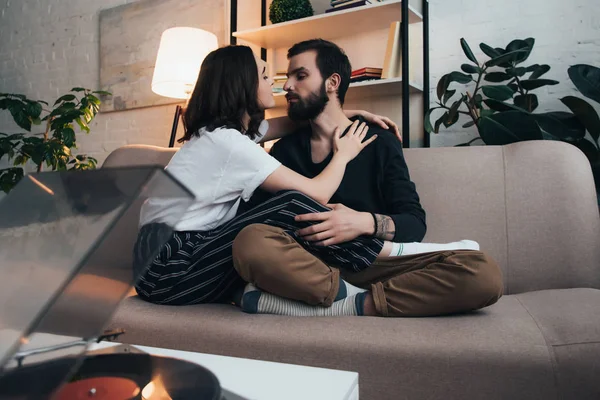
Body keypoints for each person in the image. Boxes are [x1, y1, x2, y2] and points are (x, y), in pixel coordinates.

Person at [132, 44, 423, 307]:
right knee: (288, 203)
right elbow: (314, 194)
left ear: (332, 83)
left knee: (279, 209)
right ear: (242, 84)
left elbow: (275, 126)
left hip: (169, 255)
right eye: (265, 75)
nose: (281, 84)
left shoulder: (223, 136)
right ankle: (389, 256)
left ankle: (395, 259)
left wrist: (353, 113)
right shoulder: (232, 145)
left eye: (299, 75)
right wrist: (343, 155)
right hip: (169, 263)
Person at [232, 39, 504, 317]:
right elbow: (260, 220)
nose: (287, 86)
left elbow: (414, 224)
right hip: (307, 264)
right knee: (250, 241)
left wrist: (361, 222)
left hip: (370, 260)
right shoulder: (284, 150)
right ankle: (347, 297)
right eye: (286, 77)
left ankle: (350, 304)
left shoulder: (379, 141)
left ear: (332, 82)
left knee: (483, 273)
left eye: (300, 76)